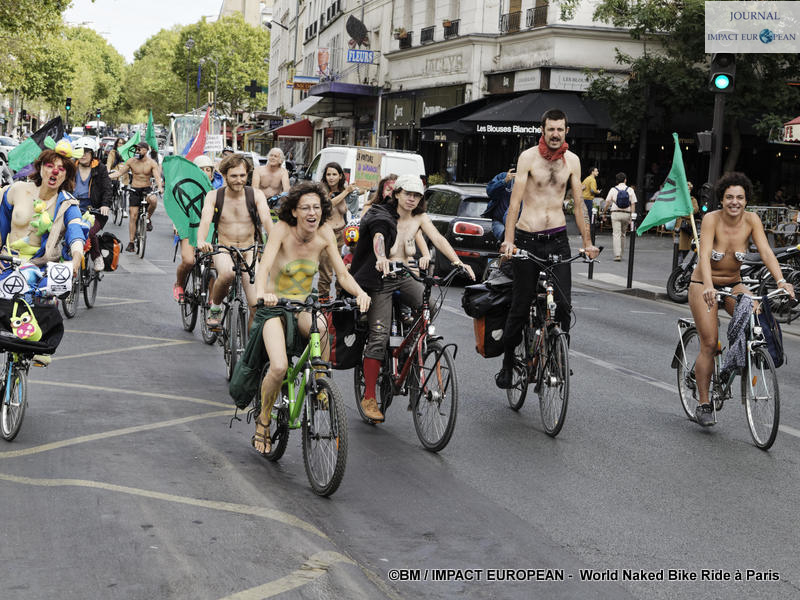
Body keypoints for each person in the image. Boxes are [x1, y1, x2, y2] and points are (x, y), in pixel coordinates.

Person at [251, 181, 371, 454]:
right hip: (275, 307)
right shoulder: (282, 230)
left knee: (321, 329)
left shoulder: (325, 233)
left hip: (303, 305)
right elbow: (264, 266)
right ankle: (264, 420)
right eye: (305, 207)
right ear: (294, 211)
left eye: (316, 207)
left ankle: (319, 385)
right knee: (279, 367)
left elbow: (342, 275)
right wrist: (261, 293)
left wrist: (360, 293)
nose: (312, 212)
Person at [350, 174, 475, 422]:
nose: (412, 199)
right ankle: (370, 397)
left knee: (429, 306)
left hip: (405, 275)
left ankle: (410, 345)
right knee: (379, 336)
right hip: (380, 279)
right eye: (408, 193)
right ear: (396, 193)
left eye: (417, 195)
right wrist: (382, 258)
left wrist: (457, 262)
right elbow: (378, 239)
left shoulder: (418, 217)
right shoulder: (381, 214)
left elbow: (438, 239)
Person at [495, 108, 599, 389]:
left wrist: (587, 243)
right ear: (542, 130)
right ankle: (507, 364)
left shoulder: (573, 162)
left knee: (564, 305)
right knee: (520, 305)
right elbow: (514, 204)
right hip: (528, 239)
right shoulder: (528, 158)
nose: (555, 134)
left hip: (558, 238)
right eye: (550, 129)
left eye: (560, 129)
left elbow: (578, 205)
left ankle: (558, 358)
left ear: (567, 131)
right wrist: (509, 240)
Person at [688, 172, 794, 427]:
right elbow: (703, 257)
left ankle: (736, 361)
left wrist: (781, 281)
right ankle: (704, 402)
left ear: (746, 200)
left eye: (740, 197)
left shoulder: (751, 220)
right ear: (722, 200)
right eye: (729, 197)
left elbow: (766, 252)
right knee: (711, 343)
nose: (734, 202)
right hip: (704, 284)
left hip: (734, 284)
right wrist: (709, 287)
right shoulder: (711, 219)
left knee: (756, 316)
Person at [197, 153, 272, 327]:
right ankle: (215, 307)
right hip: (224, 248)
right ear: (224, 176)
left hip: (250, 250)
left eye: (242, 175)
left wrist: (275, 243)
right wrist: (201, 240)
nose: (239, 180)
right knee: (228, 274)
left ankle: (248, 352)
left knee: (255, 305)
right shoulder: (214, 196)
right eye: (234, 176)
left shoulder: (256, 195)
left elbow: (267, 221)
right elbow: (206, 221)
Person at [0, 146, 86, 276]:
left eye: (61, 169)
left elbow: (76, 234)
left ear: (66, 175)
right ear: (40, 168)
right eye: (50, 166)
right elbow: (1, 224)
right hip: (6, 260)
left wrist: (76, 259)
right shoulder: (17, 189)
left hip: (40, 267)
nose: (55, 171)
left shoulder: (67, 203)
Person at [171, 154, 223, 302]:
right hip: (188, 227)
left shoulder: (220, 188)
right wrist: (176, 224)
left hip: (211, 230)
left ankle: (213, 301)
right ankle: (179, 284)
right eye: (201, 169)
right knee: (188, 261)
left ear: (212, 172)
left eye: (208, 169)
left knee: (214, 264)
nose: (205, 172)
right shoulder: (185, 186)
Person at [318, 162, 360, 300]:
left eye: (334, 174)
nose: (331, 177)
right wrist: (346, 192)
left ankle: (340, 301)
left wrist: (360, 190)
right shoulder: (321, 190)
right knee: (325, 272)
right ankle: (323, 303)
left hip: (343, 234)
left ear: (340, 176)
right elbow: (328, 205)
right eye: (328, 174)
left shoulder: (346, 190)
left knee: (343, 270)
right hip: (326, 234)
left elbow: (353, 206)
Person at [110, 142, 162, 251]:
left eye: (139, 149)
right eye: (136, 149)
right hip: (134, 189)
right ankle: (131, 242)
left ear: (146, 150)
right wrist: (106, 176)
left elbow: (157, 177)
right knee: (133, 215)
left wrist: (160, 187)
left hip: (146, 189)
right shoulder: (131, 161)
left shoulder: (151, 163)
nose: (137, 151)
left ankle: (147, 218)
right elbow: (119, 173)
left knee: (153, 200)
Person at [72, 137, 112, 272]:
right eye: (79, 151)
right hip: (73, 208)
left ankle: (97, 256)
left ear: (93, 154)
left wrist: (105, 205)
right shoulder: (71, 167)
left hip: (95, 211)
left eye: (86, 152)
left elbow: (107, 188)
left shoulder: (100, 169)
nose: (82, 155)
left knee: (87, 231)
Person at [602, 172, 637, 261]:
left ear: (617, 181)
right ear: (625, 180)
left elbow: (607, 202)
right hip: (626, 214)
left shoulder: (613, 189)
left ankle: (617, 255)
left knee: (616, 234)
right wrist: (632, 216)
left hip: (615, 213)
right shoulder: (630, 190)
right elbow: (633, 204)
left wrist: (604, 213)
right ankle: (621, 253)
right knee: (623, 234)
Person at [483, 167, 516, 241]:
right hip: (499, 222)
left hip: (519, 225)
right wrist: (504, 181)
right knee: (505, 238)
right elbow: (490, 191)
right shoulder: (503, 176)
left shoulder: (530, 181)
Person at [674, 181, 700, 263]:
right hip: (680, 226)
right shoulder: (679, 199)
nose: (688, 190)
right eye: (686, 189)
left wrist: (686, 212)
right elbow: (678, 210)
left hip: (689, 227)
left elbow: (696, 209)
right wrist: (688, 213)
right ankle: (678, 264)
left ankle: (679, 262)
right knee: (680, 247)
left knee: (688, 247)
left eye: (689, 189)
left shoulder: (693, 199)